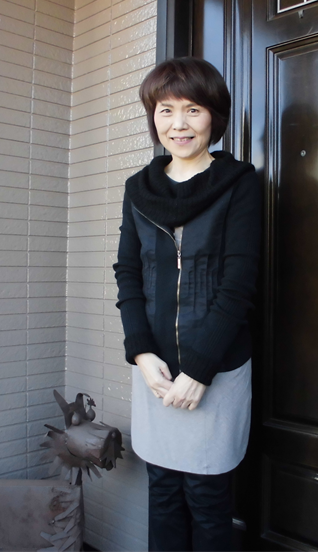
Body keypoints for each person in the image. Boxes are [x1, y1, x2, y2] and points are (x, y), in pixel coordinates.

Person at [113, 57, 261, 552]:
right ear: (153, 117)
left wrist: (198, 369)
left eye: (193, 109)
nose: (179, 124)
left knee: (207, 495)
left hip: (216, 367)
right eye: (166, 110)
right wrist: (140, 352)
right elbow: (128, 273)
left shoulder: (238, 183)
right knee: (162, 491)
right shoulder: (138, 189)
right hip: (154, 369)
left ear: (214, 116)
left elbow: (238, 285)